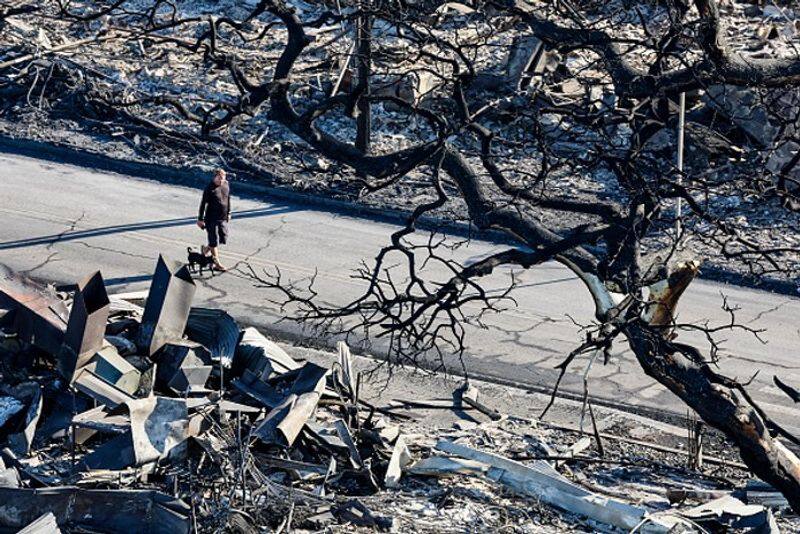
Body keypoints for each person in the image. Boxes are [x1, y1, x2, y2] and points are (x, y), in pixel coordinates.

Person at [197, 168, 231, 271]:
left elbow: (228, 198)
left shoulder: (226, 185)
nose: (221, 180)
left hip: (222, 218)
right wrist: (200, 219)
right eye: (219, 178)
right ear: (214, 177)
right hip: (211, 219)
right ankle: (217, 264)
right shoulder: (209, 189)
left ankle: (205, 250)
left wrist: (229, 212)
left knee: (223, 237)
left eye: (223, 178)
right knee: (213, 241)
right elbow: (203, 204)